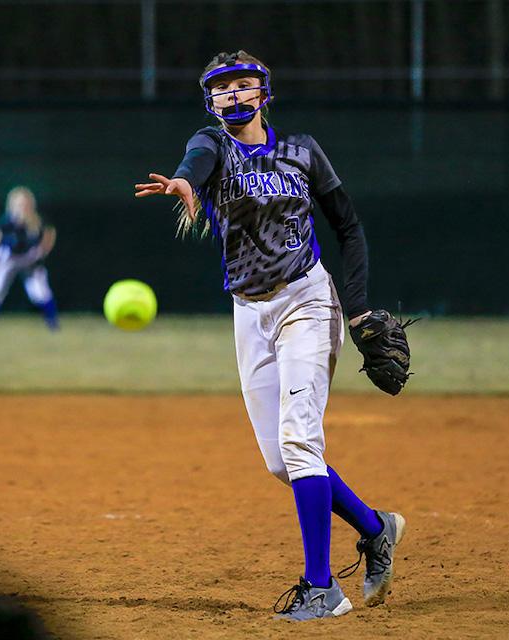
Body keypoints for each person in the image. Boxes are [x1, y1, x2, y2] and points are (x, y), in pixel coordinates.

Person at [134, 51, 408, 621]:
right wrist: (185, 183)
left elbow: (349, 228)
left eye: (243, 84)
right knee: (281, 462)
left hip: (306, 300)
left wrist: (356, 311)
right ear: (211, 100)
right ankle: (377, 528)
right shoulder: (213, 145)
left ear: (263, 92)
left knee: (300, 441)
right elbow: (197, 158)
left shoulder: (302, 151)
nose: (234, 95)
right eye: (222, 87)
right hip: (248, 312)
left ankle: (321, 587)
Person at [0, 186, 59, 330]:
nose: (23, 207)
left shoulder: (38, 220)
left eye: (26, 203)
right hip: (7, 257)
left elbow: (50, 232)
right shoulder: (7, 220)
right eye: (19, 204)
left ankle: (52, 322)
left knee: (40, 291)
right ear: (12, 205)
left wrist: (43, 250)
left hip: (29, 257)